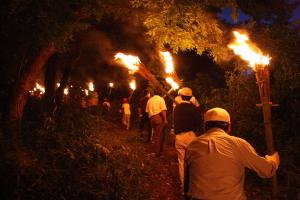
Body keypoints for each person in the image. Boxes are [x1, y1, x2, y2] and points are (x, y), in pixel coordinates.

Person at [184, 107, 280, 200]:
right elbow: (267, 170)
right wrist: (273, 159)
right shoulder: (238, 144)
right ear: (229, 127)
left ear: (205, 126)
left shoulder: (192, 146)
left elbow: (187, 183)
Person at [173, 87, 201, 193]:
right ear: (190, 97)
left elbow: (175, 123)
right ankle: (194, 186)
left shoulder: (177, 108)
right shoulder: (194, 109)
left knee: (181, 163)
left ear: (181, 96)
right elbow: (199, 122)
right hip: (192, 137)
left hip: (179, 137)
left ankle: (183, 187)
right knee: (193, 162)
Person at [146, 89, 168, 156]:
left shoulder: (149, 100)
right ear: (160, 93)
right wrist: (165, 119)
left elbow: (147, 111)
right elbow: (163, 110)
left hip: (151, 118)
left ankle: (158, 151)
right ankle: (158, 152)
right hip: (158, 117)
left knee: (156, 135)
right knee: (159, 135)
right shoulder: (161, 99)